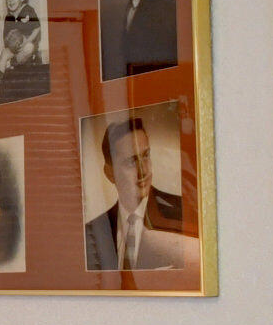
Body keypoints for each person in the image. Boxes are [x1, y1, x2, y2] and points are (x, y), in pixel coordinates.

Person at [82, 114, 196, 272]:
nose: (143, 171)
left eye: (146, 155)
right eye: (131, 162)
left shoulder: (182, 212)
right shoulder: (92, 231)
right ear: (110, 173)